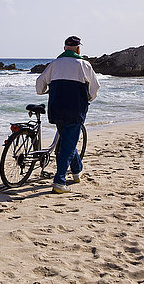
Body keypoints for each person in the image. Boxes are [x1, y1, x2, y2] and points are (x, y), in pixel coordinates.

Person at [36, 36, 100, 194]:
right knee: (68, 144)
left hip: (56, 109)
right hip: (75, 109)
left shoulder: (54, 64)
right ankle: (59, 180)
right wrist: (88, 99)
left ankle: (77, 171)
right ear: (78, 49)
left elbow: (39, 86)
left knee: (67, 141)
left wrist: (48, 90)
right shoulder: (84, 65)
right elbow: (94, 88)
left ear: (64, 48)